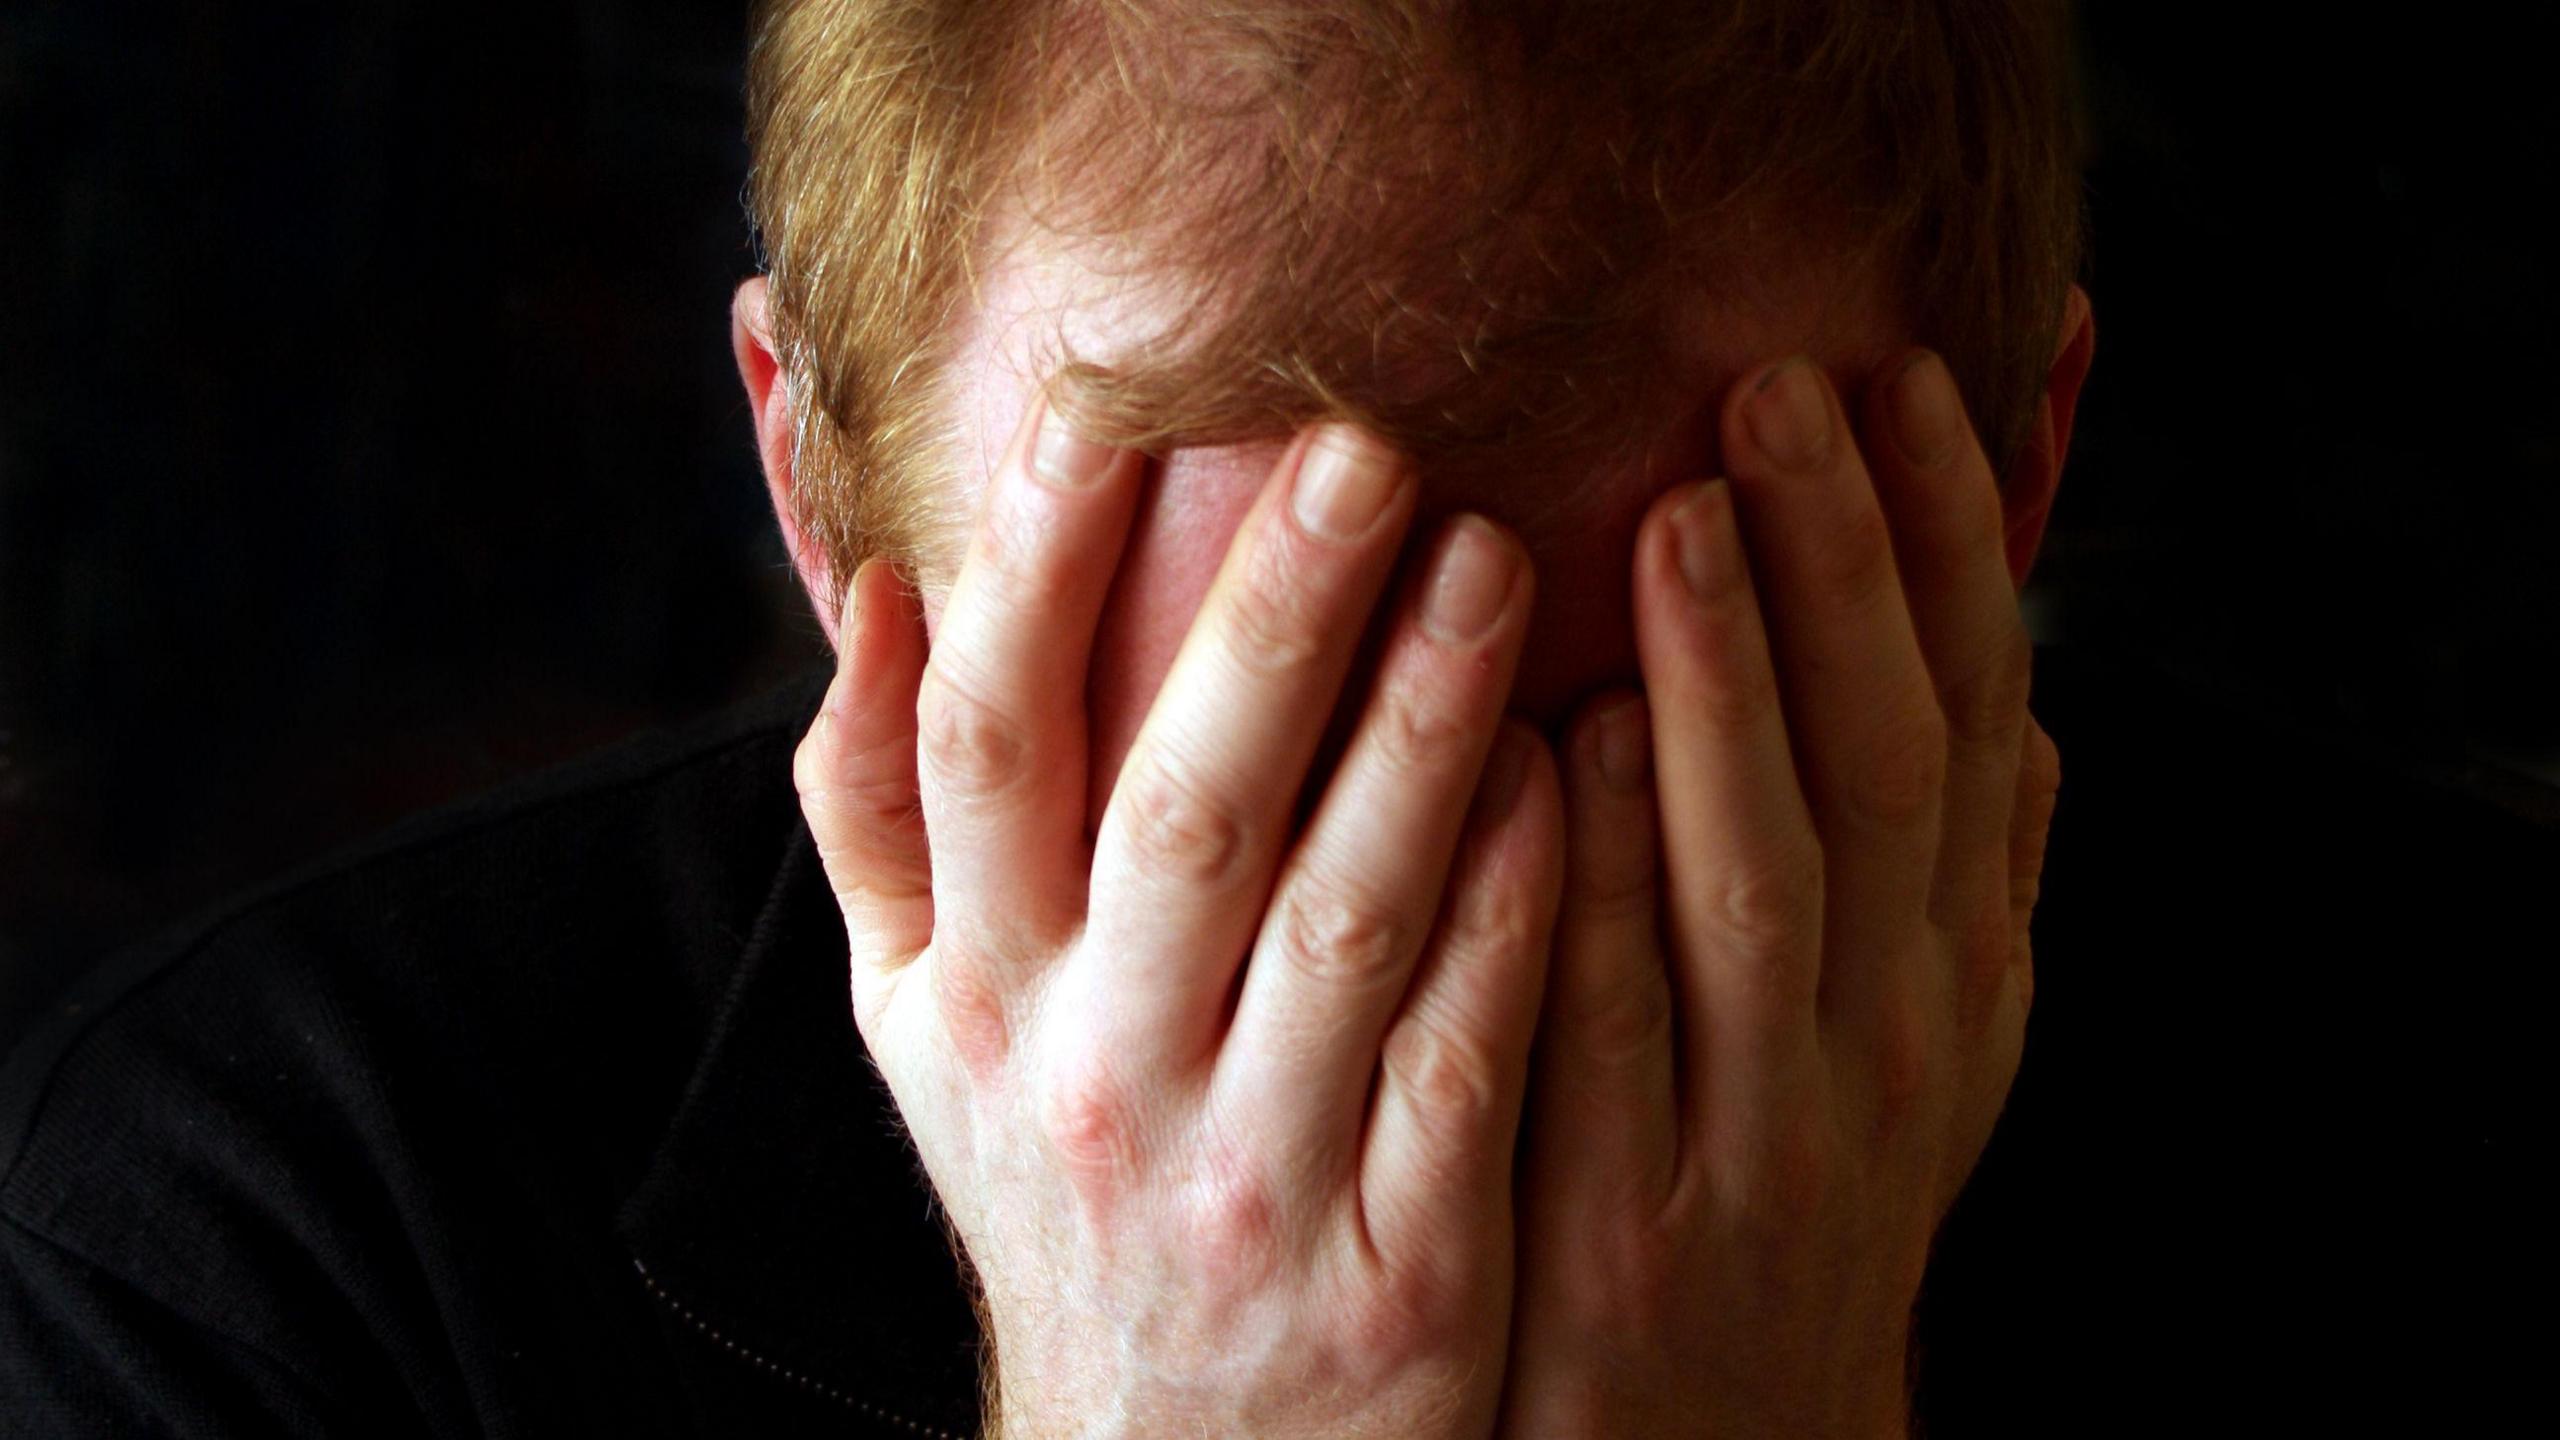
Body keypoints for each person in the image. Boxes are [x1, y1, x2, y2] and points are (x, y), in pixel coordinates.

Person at [1, 1, 2096, 1434]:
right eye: (1235, 812)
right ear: (821, 503)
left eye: (1656, 776)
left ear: (2005, 487)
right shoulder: (256, 1259)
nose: (1413, 1024)